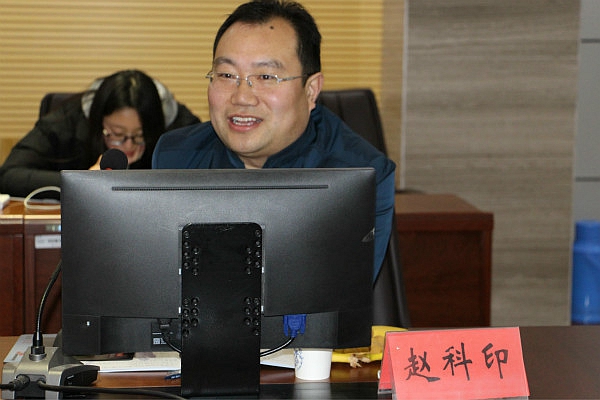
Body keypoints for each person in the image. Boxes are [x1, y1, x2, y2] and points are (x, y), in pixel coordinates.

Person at [152, 0, 395, 281]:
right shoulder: (176, 156)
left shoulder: (359, 176)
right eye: (227, 75)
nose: (242, 97)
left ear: (311, 90)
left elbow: (338, 297)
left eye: (266, 76)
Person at [0, 69, 200, 198]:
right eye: (117, 134)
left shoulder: (180, 127)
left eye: (139, 135)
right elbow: (9, 175)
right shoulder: (68, 122)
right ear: (98, 121)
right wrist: (82, 183)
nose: (128, 145)